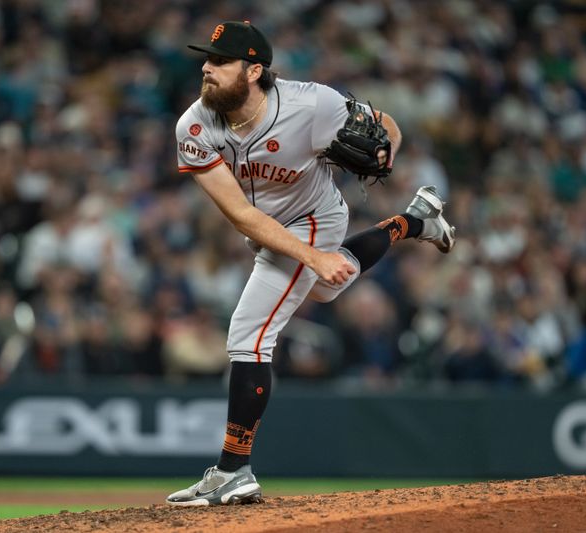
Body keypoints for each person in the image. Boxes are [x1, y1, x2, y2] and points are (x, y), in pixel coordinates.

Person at [167, 21, 455, 506]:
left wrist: (385, 155)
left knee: (249, 333)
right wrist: (315, 262)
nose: (206, 67)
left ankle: (233, 470)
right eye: (207, 59)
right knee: (325, 286)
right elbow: (241, 214)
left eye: (220, 61)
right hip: (267, 231)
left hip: (315, 218)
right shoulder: (194, 126)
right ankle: (413, 221)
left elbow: (388, 127)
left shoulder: (311, 104)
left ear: (254, 69)